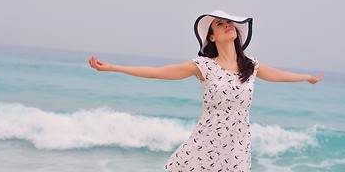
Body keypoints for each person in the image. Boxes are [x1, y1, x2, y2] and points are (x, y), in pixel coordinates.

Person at [88, 10, 323, 172]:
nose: (228, 25)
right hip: (205, 143)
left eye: (229, 23)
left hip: (237, 147)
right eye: (220, 24)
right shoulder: (203, 66)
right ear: (212, 36)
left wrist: (308, 78)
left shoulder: (250, 66)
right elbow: (156, 72)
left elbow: (281, 76)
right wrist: (113, 68)